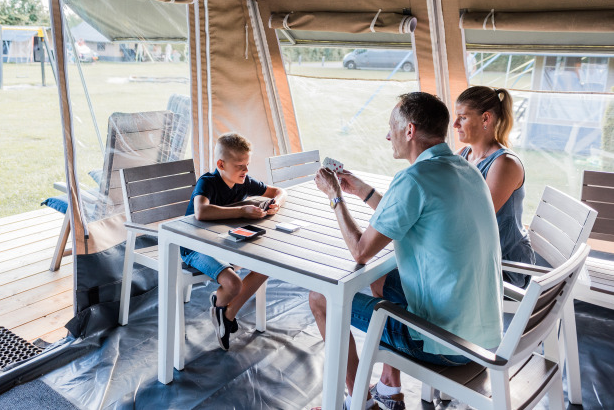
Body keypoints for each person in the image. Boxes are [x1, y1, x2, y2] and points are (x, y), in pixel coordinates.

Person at [309, 92, 502, 410]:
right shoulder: (466, 168)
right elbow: (406, 212)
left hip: (447, 345)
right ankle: (389, 389)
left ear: (410, 130)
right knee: (382, 282)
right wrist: (361, 190)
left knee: (322, 298)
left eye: (391, 127)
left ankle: (360, 401)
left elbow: (360, 251)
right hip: (485, 335)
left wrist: (335, 197)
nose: (388, 136)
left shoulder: (413, 179)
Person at [182, 132, 287, 350]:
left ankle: (226, 314)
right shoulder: (208, 182)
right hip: (194, 247)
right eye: (241, 165)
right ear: (221, 164)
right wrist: (242, 211)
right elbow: (201, 212)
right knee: (234, 284)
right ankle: (220, 302)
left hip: (224, 243)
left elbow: (279, 190)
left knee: (266, 265)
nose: (246, 171)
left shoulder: (244, 182)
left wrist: (275, 202)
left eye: (247, 165)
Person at [454, 86, 535, 287]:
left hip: (505, 265)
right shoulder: (464, 154)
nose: (455, 124)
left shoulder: (504, 164)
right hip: (477, 254)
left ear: (485, 119)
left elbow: (476, 220)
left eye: (462, 117)